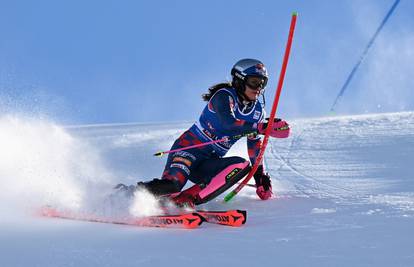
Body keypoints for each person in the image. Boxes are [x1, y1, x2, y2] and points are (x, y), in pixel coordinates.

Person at [116, 58, 290, 207]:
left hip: (208, 162)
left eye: (262, 83)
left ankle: (186, 200)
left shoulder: (258, 112)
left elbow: (253, 143)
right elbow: (228, 124)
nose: (258, 87)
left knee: (241, 165)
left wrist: (259, 176)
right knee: (173, 185)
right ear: (239, 80)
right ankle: (125, 195)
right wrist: (261, 127)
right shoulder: (224, 96)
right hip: (188, 150)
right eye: (254, 81)